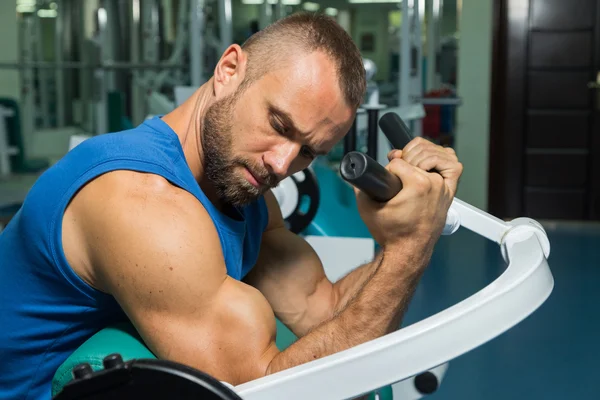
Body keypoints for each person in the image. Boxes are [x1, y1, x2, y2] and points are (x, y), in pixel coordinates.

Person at [0, 12, 463, 399]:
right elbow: (261, 393)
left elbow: (324, 309)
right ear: (229, 70)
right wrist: (411, 247)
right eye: (280, 124)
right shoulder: (141, 201)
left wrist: (401, 238)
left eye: (308, 152)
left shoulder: (244, 192)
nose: (282, 165)